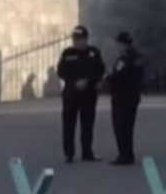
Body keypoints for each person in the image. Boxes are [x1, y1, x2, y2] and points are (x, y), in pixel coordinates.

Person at [55, 26, 106, 163]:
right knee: (69, 123)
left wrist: (88, 80)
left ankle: (87, 152)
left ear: (86, 39)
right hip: (71, 93)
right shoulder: (67, 53)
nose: (77, 42)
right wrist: (73, 81)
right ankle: (69, 153)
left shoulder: (94, 53)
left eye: (80, 39)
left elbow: (100, 70)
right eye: (75, 39)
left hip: (89, 93)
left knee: (87, 123)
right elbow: (61, 71)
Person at [107, 32, 145, 166]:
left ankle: (124, 154)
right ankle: (127, 153)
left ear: (123, 44)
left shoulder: (124, 59)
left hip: (122, 96)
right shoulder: (138, 57)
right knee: (128, 126)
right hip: (132, 95)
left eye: (118, 44)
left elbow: (117, 76)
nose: (117, 47)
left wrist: (110, 75)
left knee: (120, 125)